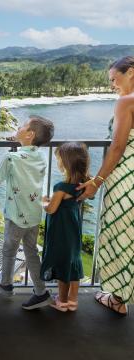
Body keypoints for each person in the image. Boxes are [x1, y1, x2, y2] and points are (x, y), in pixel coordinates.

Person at [77, 56, 134, 315]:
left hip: (126, 179)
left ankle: (118, 300)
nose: (112, 84)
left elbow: (118, 147)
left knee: (122, 237)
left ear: (130, 72)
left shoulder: (126, 102)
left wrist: (96, 181)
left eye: (114, 79)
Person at [0, 116, 54, 310]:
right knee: (31, 251)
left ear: (30, 134)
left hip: (16, 215)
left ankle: (5, 283)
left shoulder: (12, 158)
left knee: (9, 250)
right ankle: (40, 291)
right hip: (34, 214)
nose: (18, 127)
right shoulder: (41, 157)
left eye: (22, 126)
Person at [41, 142, 90, 312]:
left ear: (66, 163)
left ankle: (61, 302)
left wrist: (43, 203)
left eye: (59, 159)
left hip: (60, 231)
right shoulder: (83, 184)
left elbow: (52, 209)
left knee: (62, 264)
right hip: (73, 229)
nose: (57, 162)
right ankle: (73, 301)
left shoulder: (61, 187)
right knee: (73, 262)